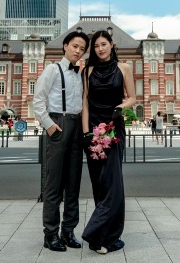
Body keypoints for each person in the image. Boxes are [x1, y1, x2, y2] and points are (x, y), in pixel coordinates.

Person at [33, 30, 89, 252]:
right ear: (65, 46)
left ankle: (68, 231)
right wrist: (49, 125)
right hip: (58, 123)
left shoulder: (79, 73)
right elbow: (38, 101)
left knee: (73, 184)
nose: (78, 51)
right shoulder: (52, 70)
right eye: (75, 46)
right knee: (54, 184)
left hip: (76, 127)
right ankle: (50, 234)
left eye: (82, 49)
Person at [81, 29, 136, 254]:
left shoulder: (124, 68)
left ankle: (100, 234)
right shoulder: (88, 70)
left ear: (112, 44)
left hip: (113, 129)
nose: (100, 49)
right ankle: (102, 236)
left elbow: (132, 97)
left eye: (103, 44)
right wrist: (86, 133)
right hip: (93, 130)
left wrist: (120, 108)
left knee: (113, 183)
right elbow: (84, 102)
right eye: (96, 46)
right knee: (99, 183)